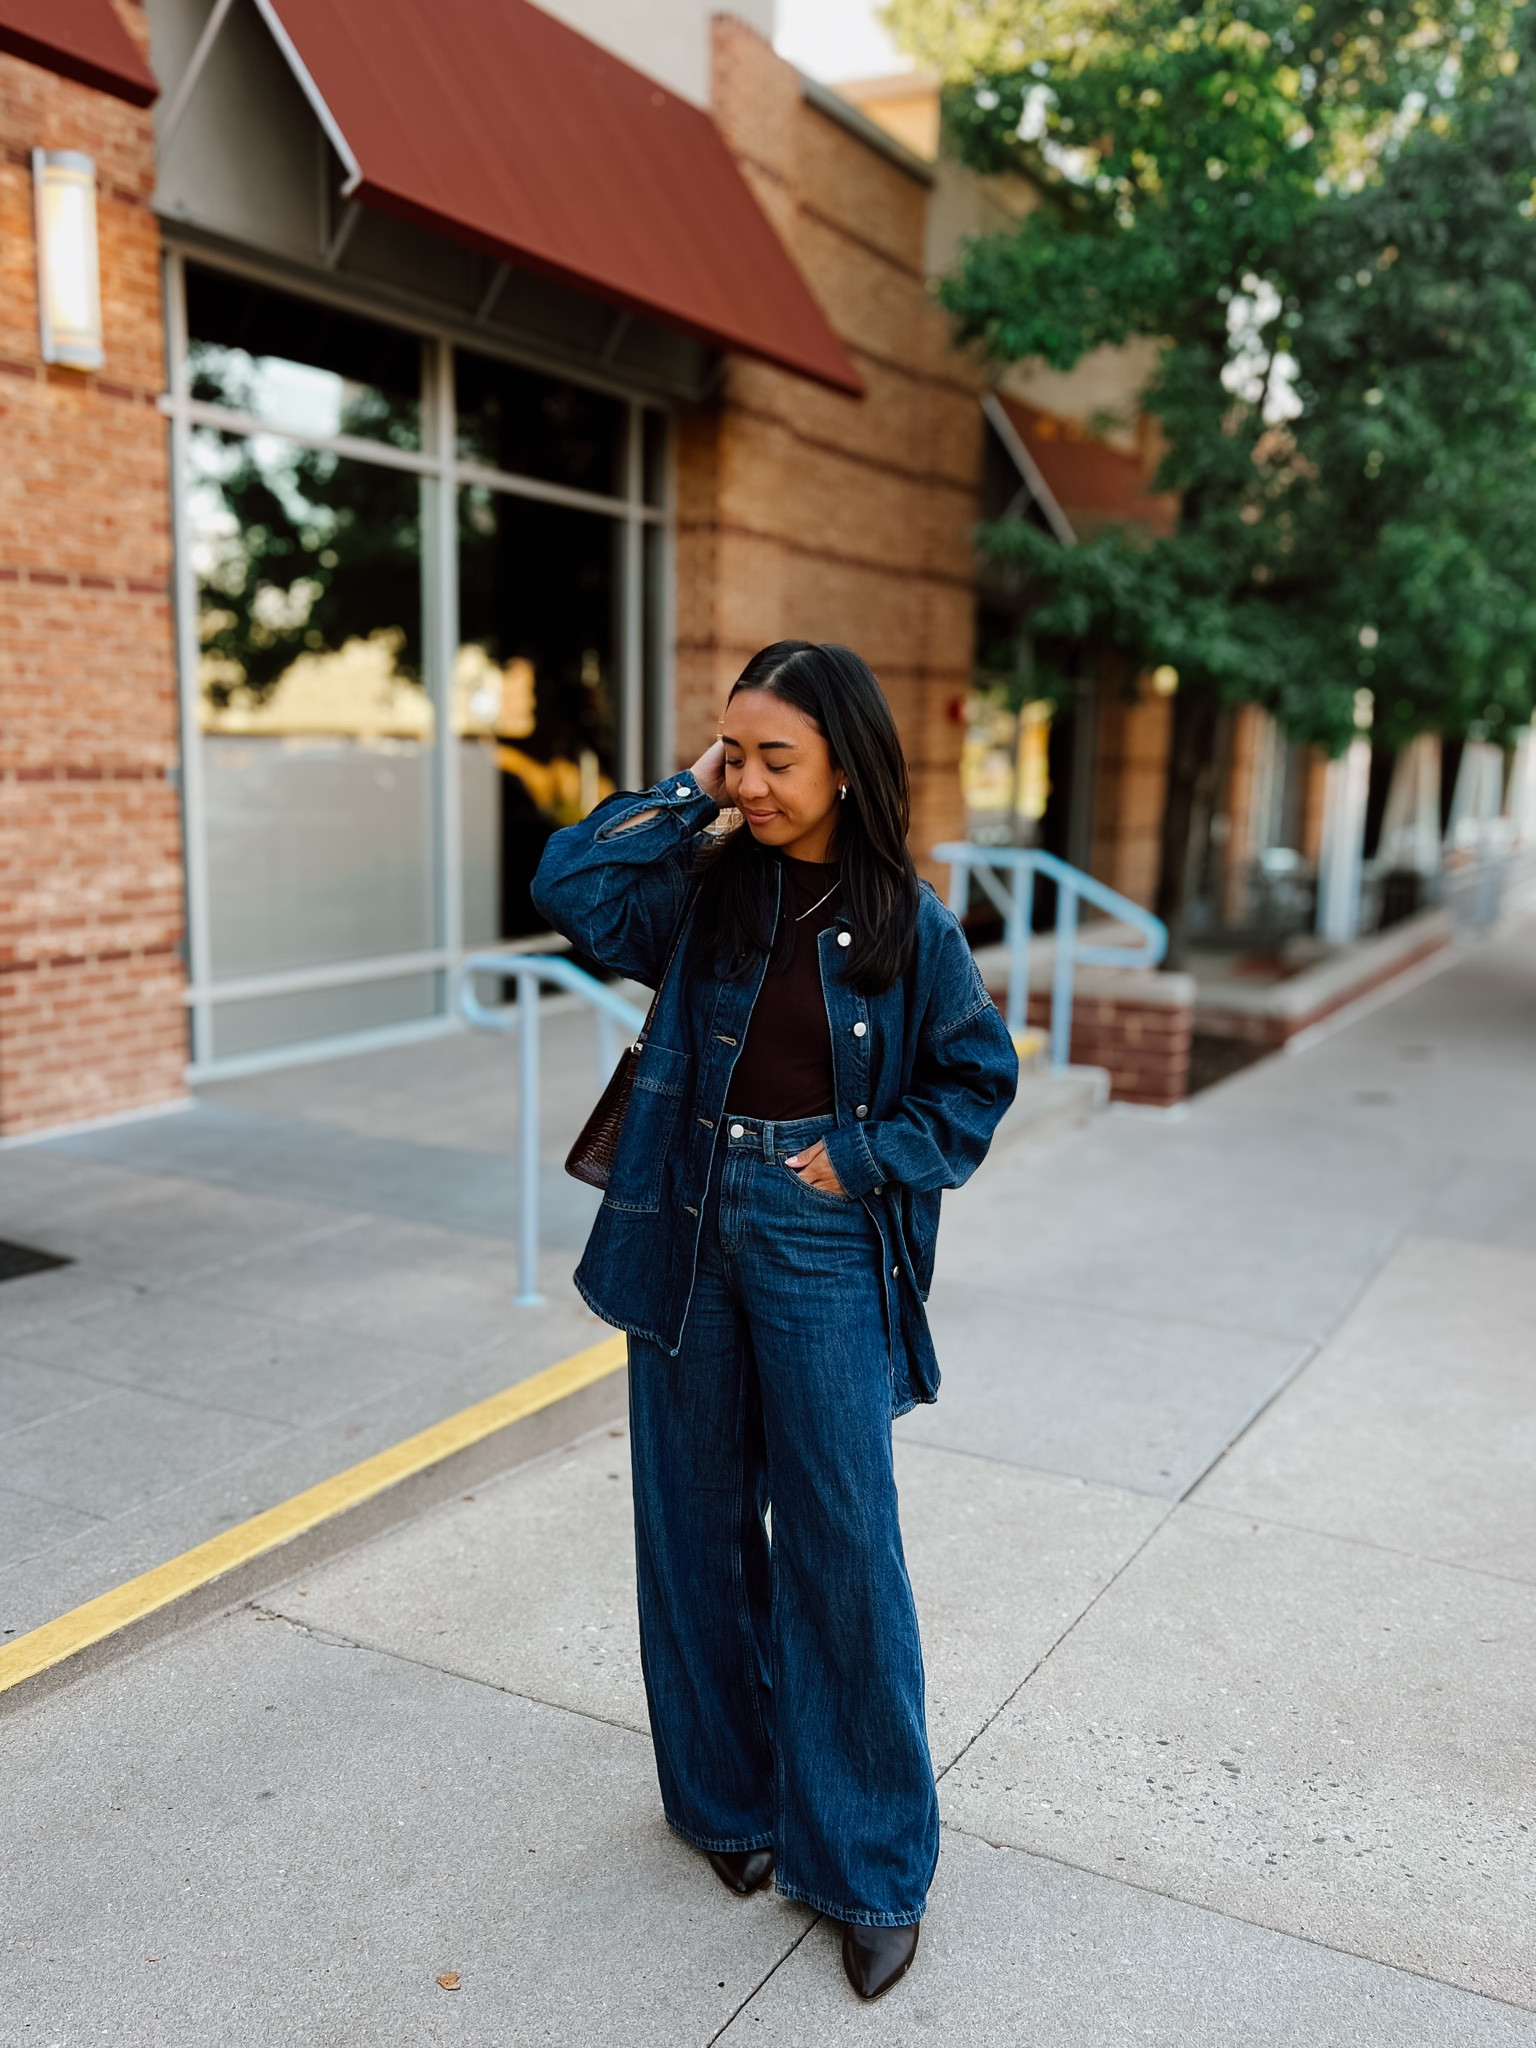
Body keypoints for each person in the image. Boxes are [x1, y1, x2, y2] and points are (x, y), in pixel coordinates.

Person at [532, 641, 1018, 2001]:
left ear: (851, 767)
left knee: (841, 1542)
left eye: (774, 758)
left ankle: (868, 1871)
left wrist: (861, 1162)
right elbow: (570, 881)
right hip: (684, 1218)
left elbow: (975, 1080)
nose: (749, 779)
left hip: (814, 1233)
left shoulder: (908, 925)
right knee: (689, 1526)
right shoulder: (702, 888)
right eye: (733, 751)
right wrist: (692, 795)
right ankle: (727, 1809)